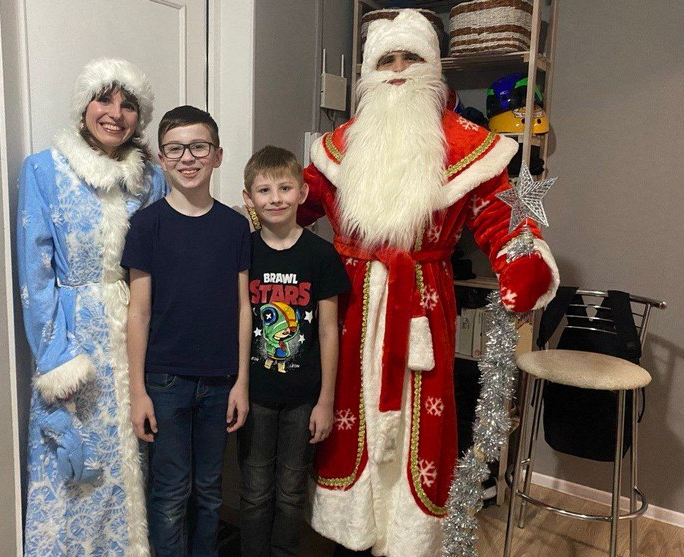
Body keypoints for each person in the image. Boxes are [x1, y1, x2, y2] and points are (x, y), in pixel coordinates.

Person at [298, 9, 560, 557]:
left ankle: (408, 539)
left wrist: (524, 260)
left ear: (433, 67)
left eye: (410, 58)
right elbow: (294, 204)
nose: (397, 70)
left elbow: (502, 217)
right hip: (348, 306)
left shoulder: (470, 146)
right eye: (386, 60)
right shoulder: (337, 147)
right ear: (369, 73)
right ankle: (351, 531)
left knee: (420, 418)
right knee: (348, 416)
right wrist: (237, 232)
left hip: (422, 300)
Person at [17, 58, 167, 556]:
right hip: (76, 338)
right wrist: (57, 358)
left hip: (138, 332)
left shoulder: (152, 180)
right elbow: (35, 275)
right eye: (104, 99)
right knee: (79, 472)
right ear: (84, 105)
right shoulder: (44, 170)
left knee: (139, 462)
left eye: (128, 105)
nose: (115, 114)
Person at [122, 105, 252, 557]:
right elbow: (138, 313)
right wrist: (138, 391)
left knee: (210, 491)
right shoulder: (146, 225)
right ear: (162, 159)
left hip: (219, 382)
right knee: (170, 492)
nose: (188, 158)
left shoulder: (235, 226)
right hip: (165, 381)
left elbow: (243, 307)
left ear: (217, 155)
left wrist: (241, 382)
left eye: (199, 147)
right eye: (176, 149)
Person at [238, 146, 350, 557]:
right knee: (254, 491)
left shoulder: (321, 255)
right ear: (249, 198)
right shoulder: (244, 251)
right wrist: (238, 386)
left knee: (290, 491)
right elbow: (238, 319)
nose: (275, 198)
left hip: (304, 398)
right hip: (255, 395)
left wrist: (326, 401)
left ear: (302, 193)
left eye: (285, 188)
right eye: (264, 190)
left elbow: (328, 330)